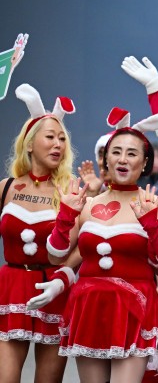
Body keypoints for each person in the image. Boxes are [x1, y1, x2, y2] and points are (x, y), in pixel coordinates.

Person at [48, 108, 158, 383]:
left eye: (132, 153)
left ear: (145, 163)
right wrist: (65, 217)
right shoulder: (87, 205)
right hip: (89, 306)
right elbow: (55, 256)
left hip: (134, 308)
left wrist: (152, 225)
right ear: (105, 159)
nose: (122, 159)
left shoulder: (157, 205)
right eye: (116, 151)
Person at [0, 84, 76, 383]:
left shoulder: (71, 190)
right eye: (50, 137)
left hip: (54, 290)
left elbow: (80, 247)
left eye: (62, 139)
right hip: (11, 287)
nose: (58, 144)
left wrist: (62, 280)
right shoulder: (6, 187)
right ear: (30, 144)